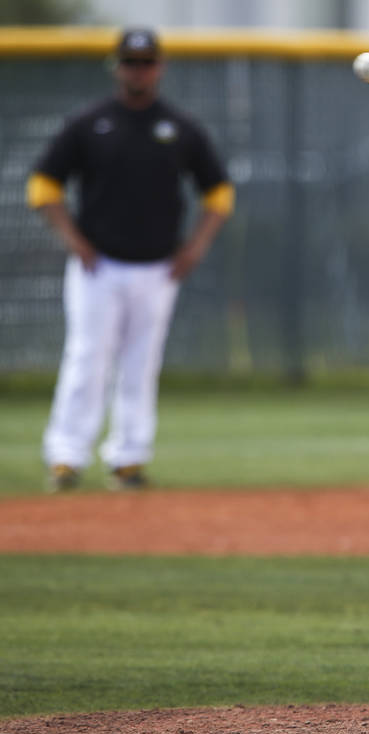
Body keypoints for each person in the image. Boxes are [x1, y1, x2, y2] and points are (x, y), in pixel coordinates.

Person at [26, 28, 234, 492]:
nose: (137, 69)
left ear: (159, 67)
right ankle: (66, 456)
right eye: (130, 61)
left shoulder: (179, 127)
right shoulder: (89, 123)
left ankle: (129, 458)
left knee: (142, 363)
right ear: (116, 67)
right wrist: (72, 238)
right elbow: (42, 186)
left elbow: (218, 193)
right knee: (86, 358)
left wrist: (196, 246)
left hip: (158, 268)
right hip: (97, 266)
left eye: (145, 61)